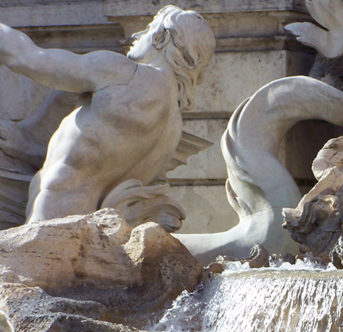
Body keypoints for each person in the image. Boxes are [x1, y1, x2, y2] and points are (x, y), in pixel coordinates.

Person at [0, 5, 214, 223]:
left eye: (148, 28)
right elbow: (88, 164)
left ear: (161, 37)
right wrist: (26, 148)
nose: (137, 35)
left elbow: (27, 58)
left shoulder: (122, 74)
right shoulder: (172, 128)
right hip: (91, 234)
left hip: (50, 223)